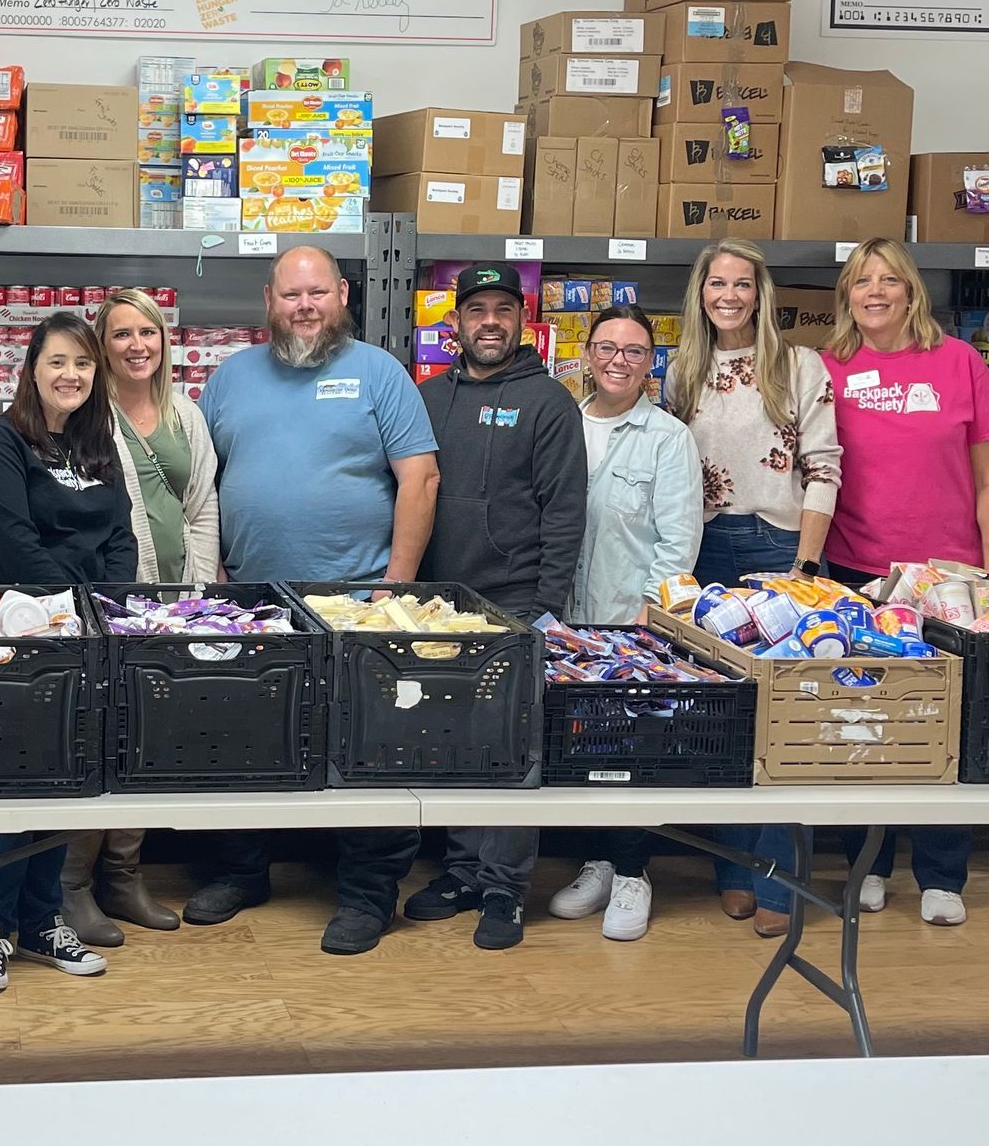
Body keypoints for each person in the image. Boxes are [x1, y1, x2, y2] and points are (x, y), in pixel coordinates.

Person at [184, 246, 439, 956]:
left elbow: (419, 480)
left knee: (370, 750)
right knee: (240, 741)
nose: (304, 306)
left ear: (343, 295)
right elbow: (202, 488)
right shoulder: (229, 379)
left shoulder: (380, 373)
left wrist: (396, 587)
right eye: (292, 294)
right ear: (269, 299)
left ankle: (366, 895)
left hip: (358, 601)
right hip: (252, 603)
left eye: (317, 293)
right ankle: (241, 872)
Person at [824, 237, 989, 928]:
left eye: (889, 280)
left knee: (946, 726)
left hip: (951, 577)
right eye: (860, 281)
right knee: (863, 720)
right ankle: (867, 862)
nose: (874, 292)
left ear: (911, 291)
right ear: (846, 295)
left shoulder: (959, 362)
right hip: (860, 573)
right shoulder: (830, 368)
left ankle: (941, 871)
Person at [402, 262, 585, 952]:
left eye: (502, 309)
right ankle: (461, 870)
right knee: (450, 740)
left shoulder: (548, 402)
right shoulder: (425, 396)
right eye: (476, 309)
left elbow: (566, 513)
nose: (489, 322)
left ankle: (505, 888)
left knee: (509, 747)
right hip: (440, 603)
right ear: (455, 323)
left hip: (514, 600)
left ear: (522, 320)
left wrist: (545, 607)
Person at [662, 238, 842, 935]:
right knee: (721, 719)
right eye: (716, 284)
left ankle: (779, 883)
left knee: (784, 720)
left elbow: (824, 467)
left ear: (761, 294)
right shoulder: (684, 369)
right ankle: (731, 870)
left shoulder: (799, 366)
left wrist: (806, 567)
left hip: (778, 547)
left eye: (742, 284)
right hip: (704, 548)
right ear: (700, 294)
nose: (729, 295)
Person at [0, 312, 136, 994]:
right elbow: (11, 545)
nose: (71, 375)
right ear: (31, 367)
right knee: (12, 786)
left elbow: (120, 533)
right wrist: (73, 608)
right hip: (23, 634)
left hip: (92, 637)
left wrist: (110, 612)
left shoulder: (95, 444)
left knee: (64, 782)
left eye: (84, 365)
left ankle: (40, 922)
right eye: (58, 361)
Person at [58, 288, 223, 947]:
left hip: (176, 603)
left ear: (164, 340)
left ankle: (124, 875)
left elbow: (202, 504)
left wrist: (199, 594)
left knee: (147, 737)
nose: (136, 345)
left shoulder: (185, 412)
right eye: (121, 333)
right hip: (109, 598)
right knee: (94, 735)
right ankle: (71, 882)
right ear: (102, 344)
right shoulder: (83, 412)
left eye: (146, 333)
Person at [549, 307, 705, 944]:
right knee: (579, 746)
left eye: (635, 351)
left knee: (634, 748)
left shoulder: (669, 438)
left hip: (629, 622)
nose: (619, 360)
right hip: (565, 620)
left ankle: (635, 872)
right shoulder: (563, 424)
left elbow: (678, 541)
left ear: (651, 362)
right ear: (587, 354)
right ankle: (601, 863)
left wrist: (648, 618)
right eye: (607, 347)